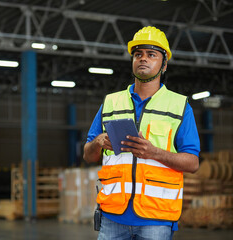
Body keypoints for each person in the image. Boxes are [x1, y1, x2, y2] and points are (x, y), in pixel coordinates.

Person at [83, 26, 200, 240]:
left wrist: (155, 153)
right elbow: (88, 155)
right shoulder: (111, 102)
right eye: (138, 54)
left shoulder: (179, 106)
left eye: (151, 54)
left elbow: (192, 163)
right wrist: (98, 142)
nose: (143, 59)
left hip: (156, 218)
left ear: (164, 64)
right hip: (112, 216)